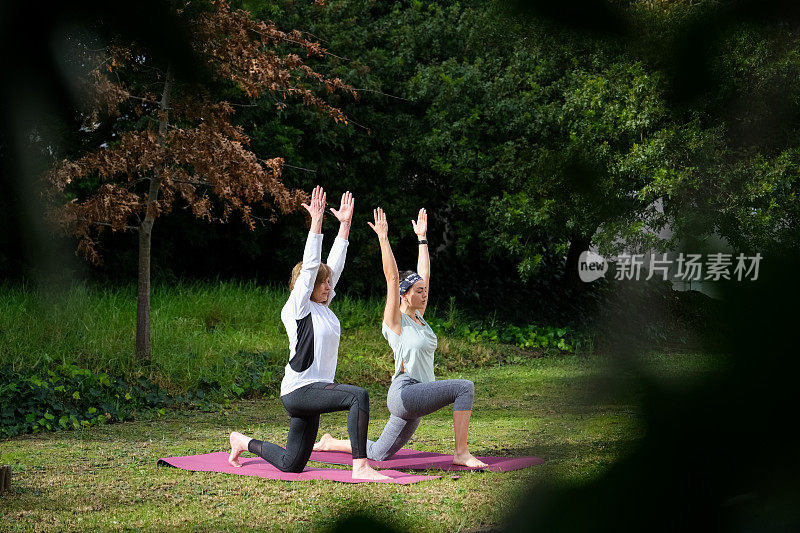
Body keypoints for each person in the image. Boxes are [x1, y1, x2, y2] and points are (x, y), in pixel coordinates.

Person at [228, 186, 388, 480]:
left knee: (292, 464)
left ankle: (242, 441)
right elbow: (313, 265)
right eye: (321, 283)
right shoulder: (298, 308)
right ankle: (361, 467)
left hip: (315, 392)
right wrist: (316, 223)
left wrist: (345, 226)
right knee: (358, 396)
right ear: (306, 284)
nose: (328, 286)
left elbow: (333, 266)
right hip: (300, 390)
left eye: (328, 283)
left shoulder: (325, 309)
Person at [314, 207, 488, 468]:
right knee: (464, 387)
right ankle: (461, 452)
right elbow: (392, 278)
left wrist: (422, 239)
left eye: (425, 291)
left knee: (378, 454)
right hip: (405, 392)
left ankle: (330, 442)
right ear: (405, 295)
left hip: (418, 395)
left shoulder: (420, 318)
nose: (424, 294)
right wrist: (383, 238)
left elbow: (425, 274)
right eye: (419, 291)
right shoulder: (396, 320)